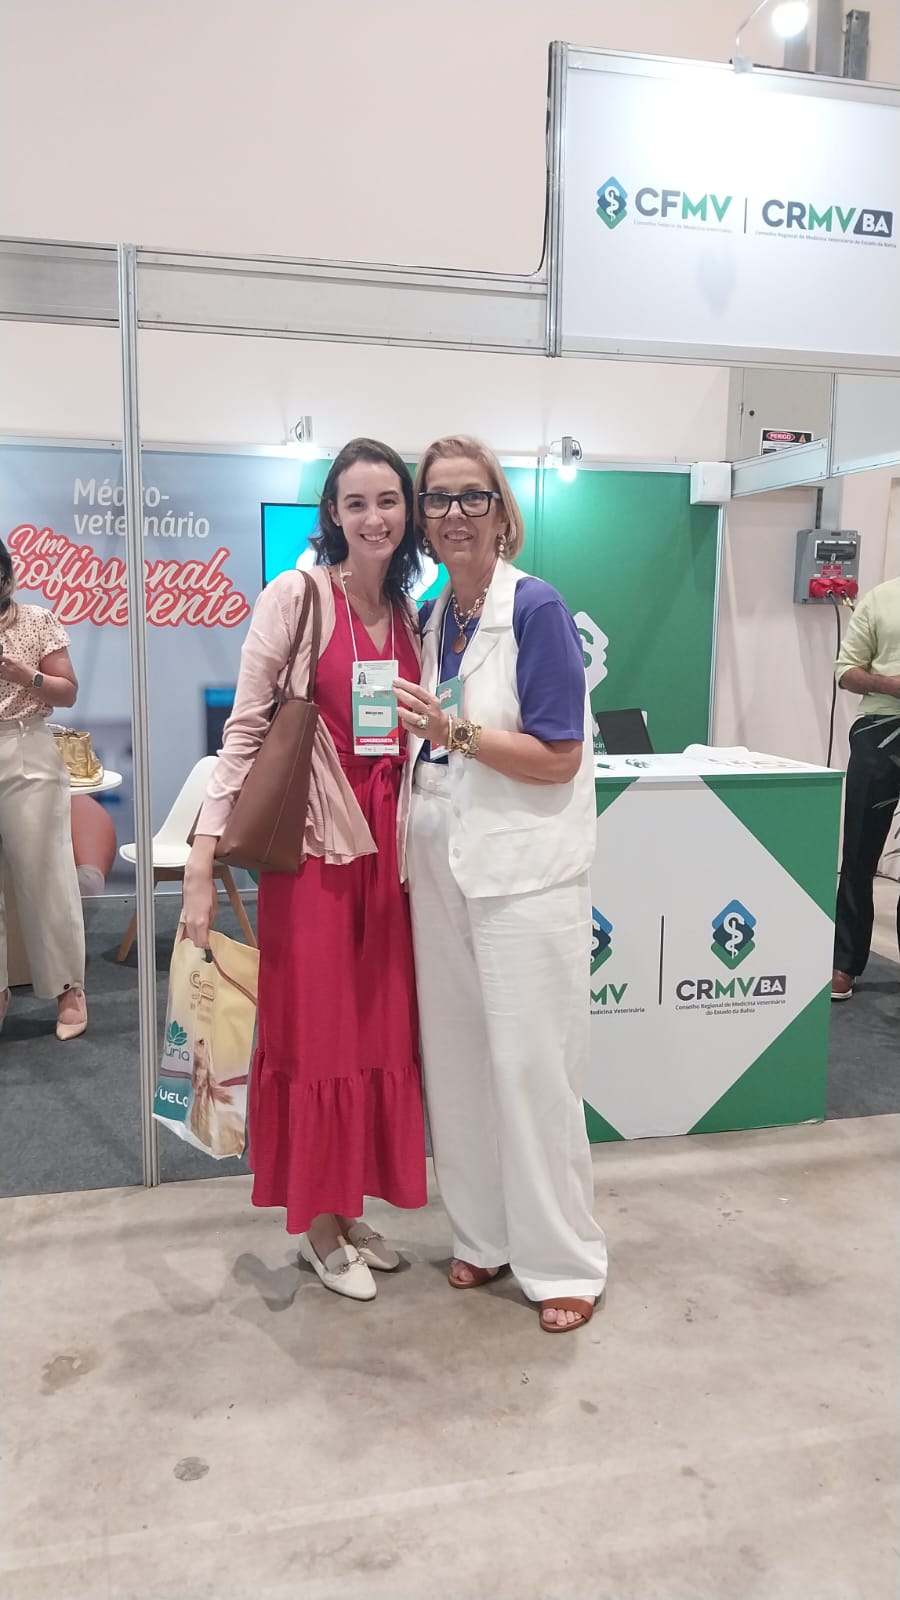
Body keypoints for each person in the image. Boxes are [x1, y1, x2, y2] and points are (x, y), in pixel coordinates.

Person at [183, 438, 427, 1301]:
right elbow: (245, 730)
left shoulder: (410, 612)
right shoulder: (297, 596)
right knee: (318, 1031)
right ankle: (319, 1227)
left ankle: (348, 1205)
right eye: (356, 502)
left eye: (388, 500)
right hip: (316, 847)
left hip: (390, 850)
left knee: (376, 1031)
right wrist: (202, 860)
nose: (374, 517)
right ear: (333, 514)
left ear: (408, 510)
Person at [394, 435, 608, 1334]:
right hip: (440, 860)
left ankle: (563, 1260)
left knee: (530, 1068)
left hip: (524, 872)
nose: (453, 514)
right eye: (437, 499)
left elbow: (558, 757)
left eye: (470, 497)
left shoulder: (535, 607)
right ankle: (482, 1234)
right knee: (457, 1062)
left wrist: (455, 734)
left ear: (500, 510)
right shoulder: (431, 614)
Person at [0, 539, 88, 1040]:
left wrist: (25, 675)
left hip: (24, 745)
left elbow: (68, 691)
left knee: (45, 875)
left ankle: (68, 989)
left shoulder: (36, 620)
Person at [831, 575, 900, 1000]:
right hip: (880, 731)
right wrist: (887, 684)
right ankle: (846, 963)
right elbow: (846, 672)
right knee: (859, 852)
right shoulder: (881, 599)